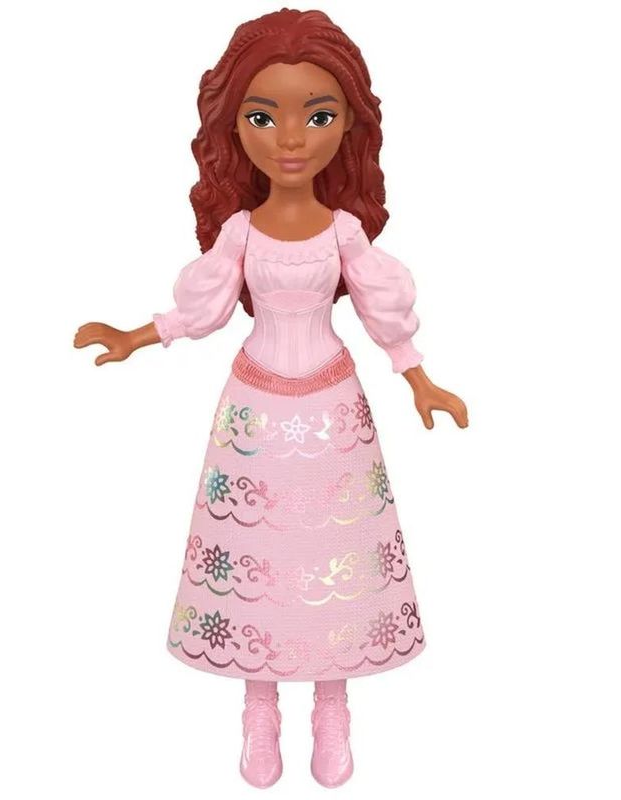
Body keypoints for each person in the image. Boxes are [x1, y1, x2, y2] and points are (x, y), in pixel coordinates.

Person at [74, 8, 468, 789]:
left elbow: (382, 310)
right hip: (254, 411)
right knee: (258, 554)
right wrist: (133, 336)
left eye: (316, 116)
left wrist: (418, 376)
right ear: (235, 127)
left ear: (347, 125)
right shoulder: (242, 233)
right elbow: (200, 312)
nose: (291, 138)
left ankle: (333, 704)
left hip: (331, 411)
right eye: (264, 116)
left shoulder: (344, 232)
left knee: (332, 552)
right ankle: (259, 707)